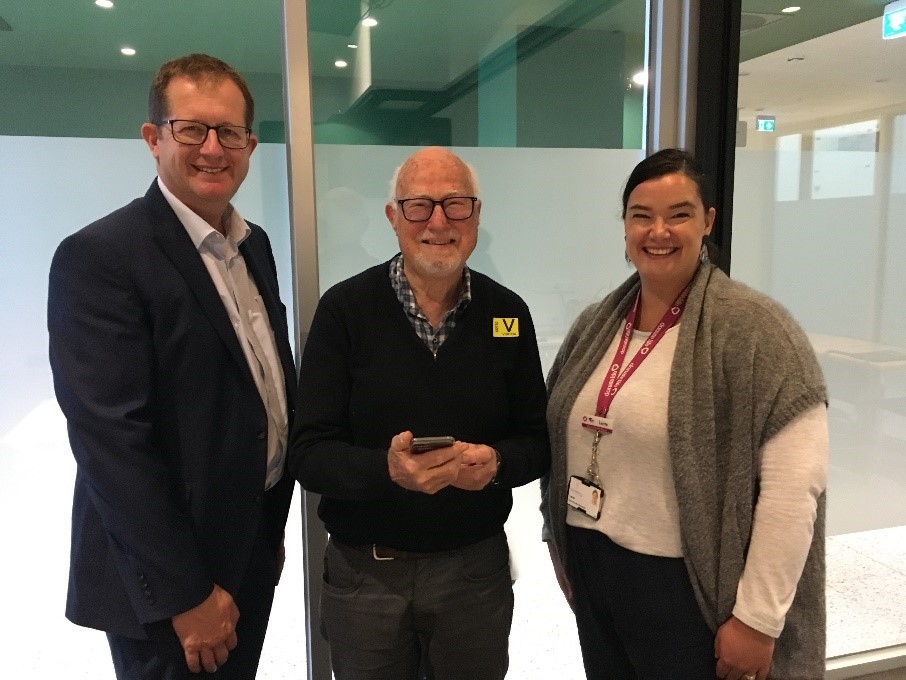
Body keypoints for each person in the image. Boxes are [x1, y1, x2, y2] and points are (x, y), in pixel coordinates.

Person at [47, 53, 296, 679]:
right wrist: (185, 594)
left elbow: (255, 390)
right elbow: (112, 443)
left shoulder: (252, 244)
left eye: (230, 133)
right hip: (170, 585)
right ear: (154, 138)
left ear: (250, 144)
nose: (213, 149)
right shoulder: (101, 257)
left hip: (246, 550)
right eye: (192, 129)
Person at [542, 148, 828, 680]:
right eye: (641, 215)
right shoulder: (596, 325)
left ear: (708, 221)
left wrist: (758, 620)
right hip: (596, 569)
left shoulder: (756, 330)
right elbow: (560, 441)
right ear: (624, 226)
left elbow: (796, 486)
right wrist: (559, 544)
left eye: (679, 214)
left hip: (686, 587)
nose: (659, 231)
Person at [289, 146, 550, 680]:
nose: (438, 222)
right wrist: (386, 470)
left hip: (473, 575)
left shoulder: (508, 314)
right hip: (366, 576)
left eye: (456, 205)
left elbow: (537, 440)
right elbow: (308, 453)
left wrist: (497, 463)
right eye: (419, 206)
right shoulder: (344, 311)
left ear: (476, 215)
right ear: (393, 217)